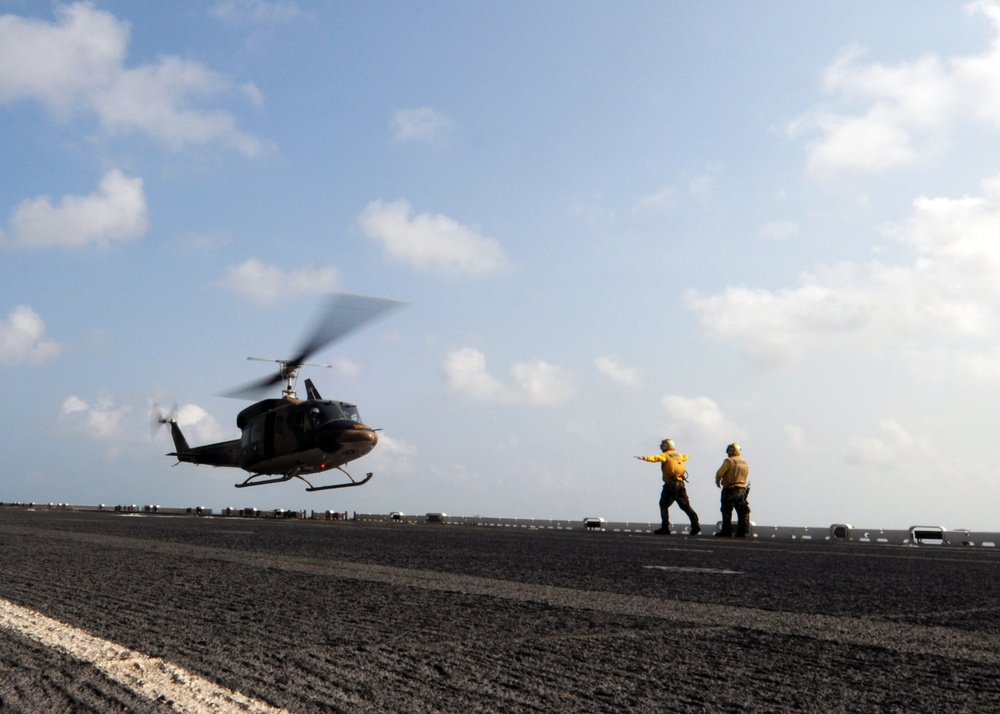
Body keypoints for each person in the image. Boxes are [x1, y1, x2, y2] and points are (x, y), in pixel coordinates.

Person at [634, 439, 700, 535]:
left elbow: (655, 458)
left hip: (671, 485)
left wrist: (644, 458)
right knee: (686, 506)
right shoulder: (678, 455)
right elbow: (686, 457)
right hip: (681, 484)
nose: (661, 447)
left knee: (663, 505)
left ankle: (665, 527)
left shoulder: (665, 455)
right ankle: (695, 525)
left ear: (666, 446)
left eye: (663, 446)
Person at [715, 443, 750, 537]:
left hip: (730, 489)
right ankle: (742, 532)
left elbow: (720, 473)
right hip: (742, 489)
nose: (728, 453)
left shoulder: (729, 461)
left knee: (726, 511)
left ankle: (727, 531)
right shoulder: (744, 463)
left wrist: (717, 481)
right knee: (742, 511)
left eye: (730, 450)